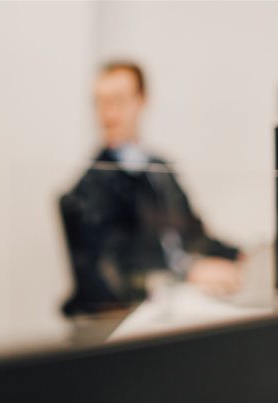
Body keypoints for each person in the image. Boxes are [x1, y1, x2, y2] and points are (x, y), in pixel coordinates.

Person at [60, 61, 242, 315]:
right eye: (100, 103)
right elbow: (116, 274)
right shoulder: (88, 192)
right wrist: (188, 271)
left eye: (119, 101)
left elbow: (193, 232)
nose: (108, 114)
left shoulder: (160, 168)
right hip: (133, 313)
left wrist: (240, 254)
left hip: (181, 300)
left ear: (141, 101)